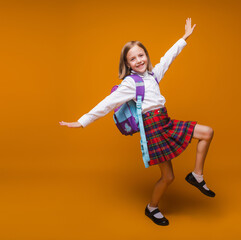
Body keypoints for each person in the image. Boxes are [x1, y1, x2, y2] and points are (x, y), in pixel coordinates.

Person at [59, 18, 215, 226]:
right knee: (168, 178)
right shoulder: (131, 83)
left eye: (141, 55)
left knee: (207, 132)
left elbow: (168, 59)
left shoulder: (153, 75)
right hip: (153, 131)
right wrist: (82, 121)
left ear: (146, 56)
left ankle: (197, 176)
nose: (139, 60)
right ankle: (152, 209)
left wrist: (183, 38)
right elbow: (107, 103)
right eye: (133, 58)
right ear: (127, 64)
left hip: (166, 122)